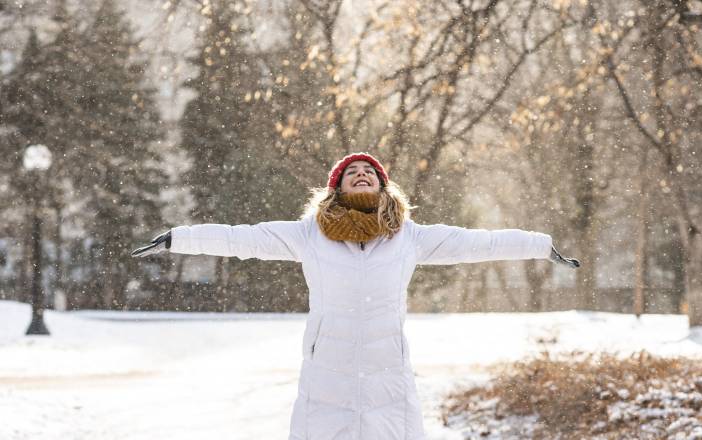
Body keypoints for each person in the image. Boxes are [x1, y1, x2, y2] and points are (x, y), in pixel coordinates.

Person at [131, 152, 579, 440]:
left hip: (389, 374)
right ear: (336, 189)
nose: (361, 175)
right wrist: (178, 237)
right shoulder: (308, 235)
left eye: (369, 172)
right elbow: (241, 239)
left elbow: (478, 243)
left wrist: (540, 245)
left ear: (383, 188)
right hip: (327, 372)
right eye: (351, 173)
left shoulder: (410, 237)